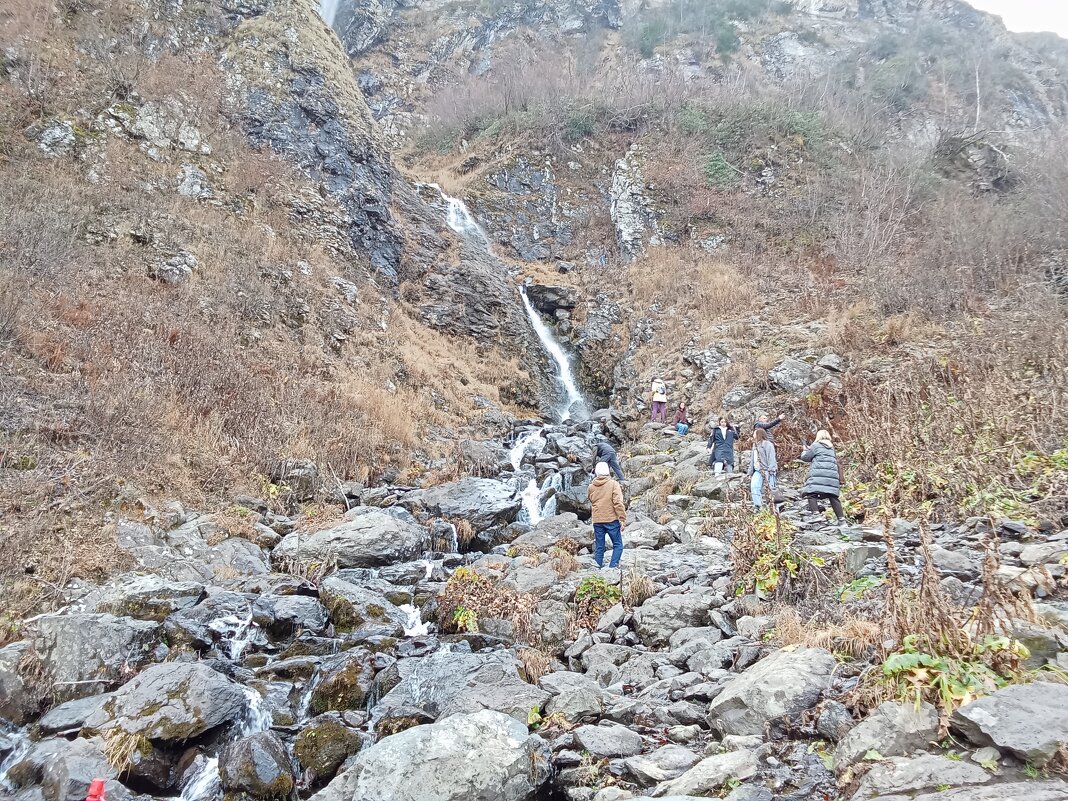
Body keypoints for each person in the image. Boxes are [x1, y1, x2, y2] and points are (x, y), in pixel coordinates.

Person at [800, 429, 846, 524]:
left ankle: (816, 515)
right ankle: (842, 520)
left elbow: (806, 457)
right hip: (832, 476)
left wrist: (804, 450)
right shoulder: (831, 447)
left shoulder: (816, 445)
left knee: (811, 494)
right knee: (833, 496)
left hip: (818, 474)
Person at [587, 461, 626, 568]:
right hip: (611, 519)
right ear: (608, 471)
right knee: (618, 545)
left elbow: (590, 499)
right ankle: (612, 567)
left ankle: (597, 568)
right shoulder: (613, 484)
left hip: (597, 520)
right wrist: (622, 519)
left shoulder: (591, 486)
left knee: (599, 547)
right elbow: (618, 502)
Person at [748, 428, 778, 510]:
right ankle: (758, 505)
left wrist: (771, 469)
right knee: (754, 487)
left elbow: (771, 457)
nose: (753, 435)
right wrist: (750, 473)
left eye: (754, 433)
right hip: (757, 470)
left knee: (770, 489)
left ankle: (773, 507)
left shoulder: (767, 444)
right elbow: (752, 460)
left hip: (767, 470)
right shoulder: (755, 445)